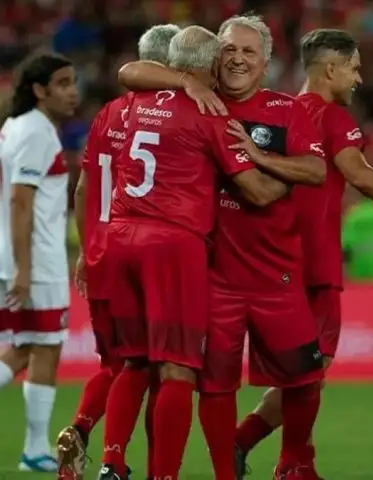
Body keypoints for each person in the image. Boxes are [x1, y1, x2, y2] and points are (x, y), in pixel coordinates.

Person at [116, 15, 328, 479]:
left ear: (266, 62)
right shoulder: (195, 104)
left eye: (249, 52)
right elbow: (130, 72)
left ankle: (293, 462)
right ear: (214, 57)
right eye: (229, 49)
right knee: (215, 385)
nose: (237, 58)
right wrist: (187, 83)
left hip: (276, 273)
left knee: (306, 376)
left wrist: (259, 156)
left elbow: (315, 171)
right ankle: (225, 466)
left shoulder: (287, 109)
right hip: (214, 276)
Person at [233, 26, 373, 468]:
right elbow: (362, 176)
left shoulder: (278, 113)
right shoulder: (334, 120)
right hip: (314, 263)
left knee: (302, 373)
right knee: (313, 371)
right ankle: (289, 463)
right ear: (330, 70)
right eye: (352, 68)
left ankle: (252, 448)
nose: (358, 78)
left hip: (270, 260)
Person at [56, 23, 180, 480]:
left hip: (104, 249)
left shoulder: (109, 113)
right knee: (153, 366)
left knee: (121, 361)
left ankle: (83, 433)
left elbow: (85, 186)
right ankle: (116, 455)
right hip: (147, 248)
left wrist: (87, 248)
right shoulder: (168, 117)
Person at [0, 52, 78, 473]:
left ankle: (36, 448)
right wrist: (25, 269)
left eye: (74, 81)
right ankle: (35, 449)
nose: (73, 92)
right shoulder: (37, 133)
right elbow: (20, 200)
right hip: (37, 258)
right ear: (39, 90)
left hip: (19, 253)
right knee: (42, 347)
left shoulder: (16, 126)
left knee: (31, 346)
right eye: (63, 83)